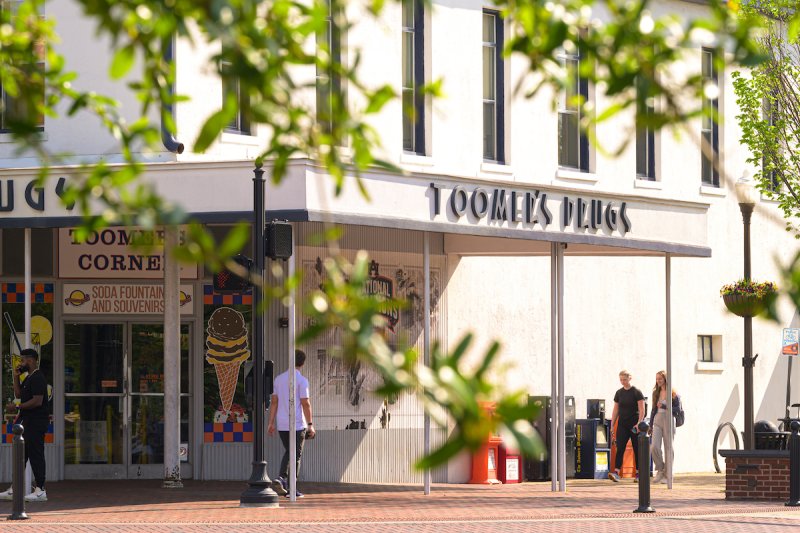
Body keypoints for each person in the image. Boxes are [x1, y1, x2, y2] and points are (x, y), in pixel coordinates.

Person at [0, 348, 49, 502]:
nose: (22, 363)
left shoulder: (38, 378)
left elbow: (37, 401)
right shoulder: (29, 378)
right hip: (26, 422)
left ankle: (41, 490)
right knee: (21, 456)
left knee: (36, 455)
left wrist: (17, 407)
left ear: (32, 360)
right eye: (21, 360)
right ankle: (15, 489)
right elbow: (19, 395)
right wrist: (16, 377)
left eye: (24, 360)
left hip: (36, 422)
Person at [268, 349, 316, 499]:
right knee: (295, 454)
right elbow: (305, 403)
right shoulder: (302, 381)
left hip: (282, 423)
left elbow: (274, 402)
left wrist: (271, 423)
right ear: (302, 363)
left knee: (290, 451)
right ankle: (285, 482)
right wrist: (310, 424)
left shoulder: (278, 379)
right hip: (297, 423)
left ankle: (286, 484)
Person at [608, 369, 645, 482]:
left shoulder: (636, 392)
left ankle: (639, 474)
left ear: (630, 378)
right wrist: (612, 424)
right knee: (620, 448)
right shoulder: (619, 393)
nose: (623, 382)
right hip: (622, 424)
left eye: (624, 379)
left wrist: (639, 424)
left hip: (634, 425)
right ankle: (617, 473)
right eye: (621, 380)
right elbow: (616, 410)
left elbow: (642, 409)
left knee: (636, 448)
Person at [648, 370, 681, 484]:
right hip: (657, 419)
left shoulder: (673, 394)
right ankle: (660, 470)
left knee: (668, 447)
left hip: (668, 420)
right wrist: (650, 425)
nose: (658, 381)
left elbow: (678, 409)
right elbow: (653, 409)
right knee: (654, 447)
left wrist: (665, 405)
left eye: (660, 379)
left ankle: (668, 474)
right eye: (657, 379)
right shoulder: (655, 393)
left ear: (666, 379)